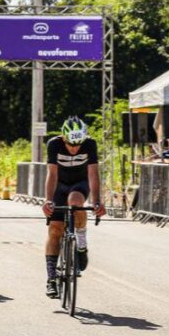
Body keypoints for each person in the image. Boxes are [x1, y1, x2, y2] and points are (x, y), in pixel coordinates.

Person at [42, 117, 106, 298]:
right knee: (55, 229)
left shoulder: (90, 144)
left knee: (76, 201)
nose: (74, 149)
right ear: (63, 138)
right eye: (70, 144)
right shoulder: (54, 144)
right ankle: (51, 278)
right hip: (59, 184)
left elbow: (93, 173)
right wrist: (48, 200)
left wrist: (96, 201)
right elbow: (52, 173)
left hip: (80, 183)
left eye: (78, 144)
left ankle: (81, 244)